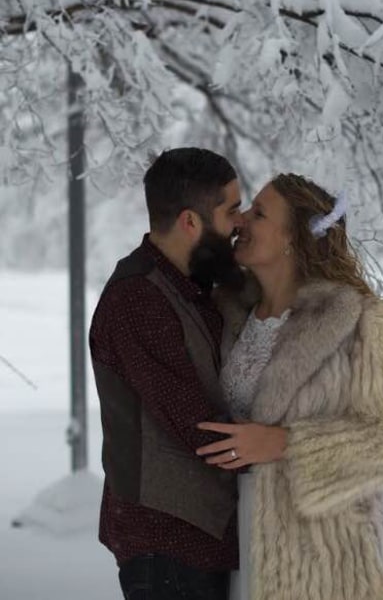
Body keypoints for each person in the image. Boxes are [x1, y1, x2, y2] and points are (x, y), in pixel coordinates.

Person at [196, 173, 383, 600]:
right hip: (239, 544)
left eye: (259, 213)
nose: (241, 219)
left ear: (293, 238)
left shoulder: (361, 322)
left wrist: (286, 444)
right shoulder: (224, 313)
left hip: (332, 561)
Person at [90, 147, 245, 600]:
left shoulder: (194, 287)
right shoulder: (138, 297)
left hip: (197, 544)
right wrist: (294, 449)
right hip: (167, 549)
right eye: (231, 209)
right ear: (190, 222)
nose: (240, 222)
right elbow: (200, 428)